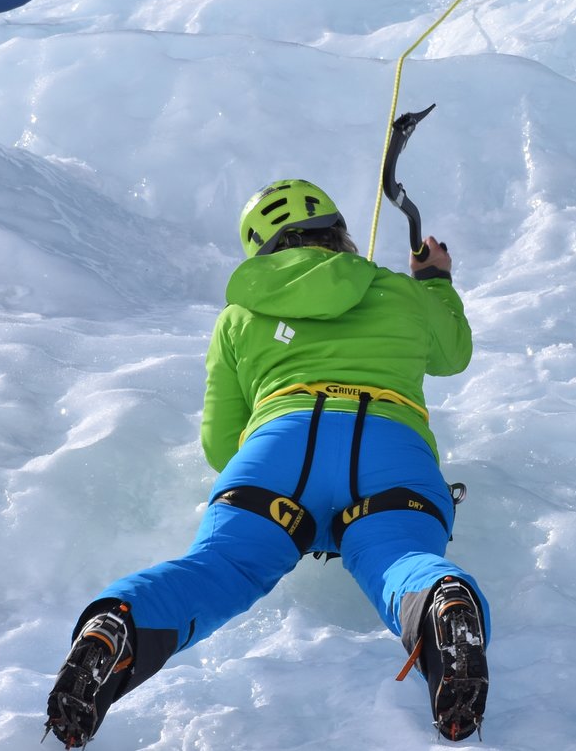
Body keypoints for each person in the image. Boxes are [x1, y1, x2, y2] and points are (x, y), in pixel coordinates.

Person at [44, 178, 491, 747]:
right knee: (401, 558)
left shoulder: (238, 317)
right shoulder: (400, 291)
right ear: (340, 234)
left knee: (221, 567)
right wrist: (434, 282)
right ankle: (443, 604)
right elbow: (454, 354)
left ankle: (118, 629)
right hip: (389, 445)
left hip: (277, 450)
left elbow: (220, 442)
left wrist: (285, 495)